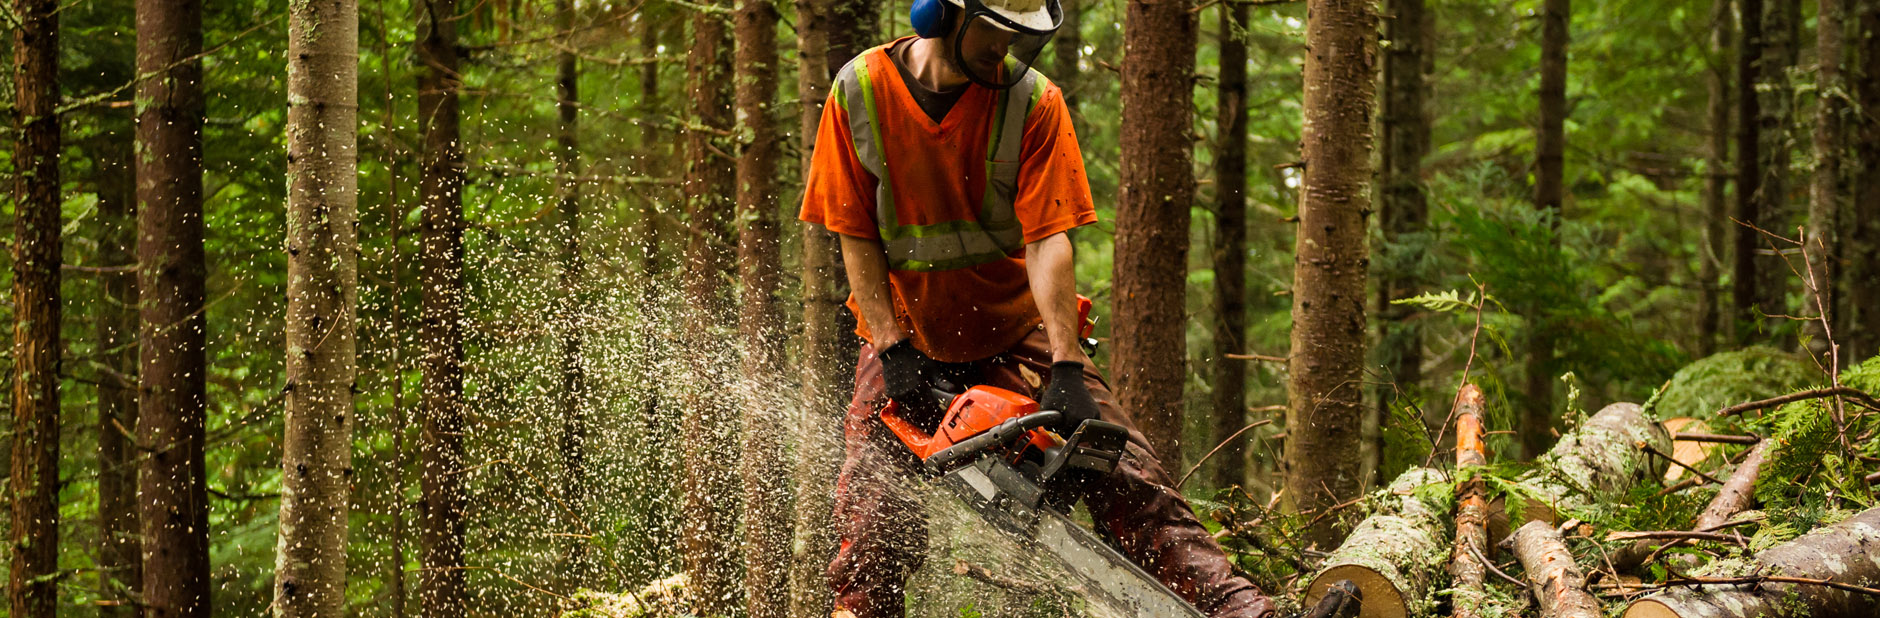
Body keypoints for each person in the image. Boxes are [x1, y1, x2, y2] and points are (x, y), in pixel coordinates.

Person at [798, 0, 1280, 615]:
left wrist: (1067, 366)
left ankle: (1243, 610)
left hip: (1015, 325)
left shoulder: (1033, 102)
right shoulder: (860, 90)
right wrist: (892, 350)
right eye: (994, 34)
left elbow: (1048, 236)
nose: (1004, 51)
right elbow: (853, 229)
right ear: (939, 14)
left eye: (1017, 38)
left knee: (1127, 471)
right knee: (871, 512)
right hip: (905, 334)